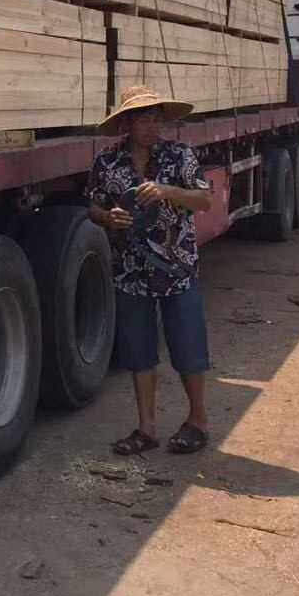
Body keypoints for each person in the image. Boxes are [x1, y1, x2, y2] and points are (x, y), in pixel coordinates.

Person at [87, 85, 213, 455]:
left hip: (177, 269)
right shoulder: (107, 161)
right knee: (139, 352)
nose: (152, 126)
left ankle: (198, 421)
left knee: (188, 347)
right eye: (144, 119)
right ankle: (146, 429)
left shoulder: (180, 155)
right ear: (127, 123)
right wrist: (108, 217)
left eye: (156, 119)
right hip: (131, 271)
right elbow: (92, 206)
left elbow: (204, 199)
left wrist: (166, 191)